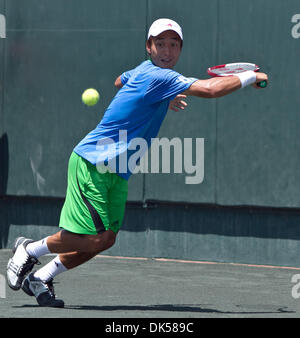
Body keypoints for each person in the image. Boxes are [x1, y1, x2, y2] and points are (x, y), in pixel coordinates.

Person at [6, 18, 268, 307]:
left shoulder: (146, 74)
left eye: (173, 45)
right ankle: (29, 249)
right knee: (90, 238)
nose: (167, 51)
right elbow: (210, 90)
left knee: (106, 240)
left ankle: (41, 277)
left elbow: (121, 80)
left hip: (117, 173)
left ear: (180, 48)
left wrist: (159, 99)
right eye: (160, 44)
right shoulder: (160, 77)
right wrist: (250, 77)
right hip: (93, 163)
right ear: (149, 46)